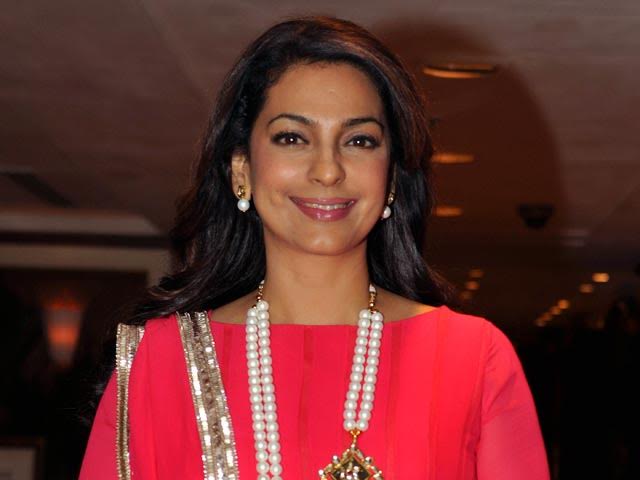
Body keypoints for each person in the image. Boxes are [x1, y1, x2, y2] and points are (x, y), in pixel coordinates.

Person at [79, 15, 549, 480]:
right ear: (242, 169)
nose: (328, 170)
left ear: (390, 177)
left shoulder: (472, 359)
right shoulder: (159, 363)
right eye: (292, 138)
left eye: (359, 140)